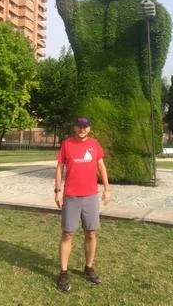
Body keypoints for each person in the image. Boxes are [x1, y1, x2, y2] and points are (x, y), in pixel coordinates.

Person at [49, 0, 172, 184]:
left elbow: (157, 37)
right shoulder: (93, 5)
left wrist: (154, 18)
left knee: (132, 128)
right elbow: (73, 16)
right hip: (97, 83)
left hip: (131, 84)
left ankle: (135, 170)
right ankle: (92, 172)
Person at [55, 116, 111, 292]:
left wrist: (107, 189)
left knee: (91, 233)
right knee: (68, 234)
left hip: (91, 197)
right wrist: (57, 191)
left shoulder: (94, 144)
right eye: (79, 126)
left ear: (89, 128)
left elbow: (101, 167)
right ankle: (63, 272)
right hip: (71, 196)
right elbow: (59, 167)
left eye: (85, 127)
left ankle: (88, 268)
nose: (82, 129)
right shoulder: (67, 144)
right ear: (74, 128)